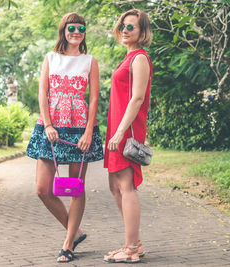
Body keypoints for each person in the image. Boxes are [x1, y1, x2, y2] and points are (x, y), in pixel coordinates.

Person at [26, 13, 104, 263]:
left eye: (82, 28)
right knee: (42, 189)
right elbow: (43, 92)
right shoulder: (50, 57)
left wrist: (89, 131)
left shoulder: (89, 61)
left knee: (75, 188)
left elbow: (93, 99)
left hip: (79, 127)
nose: (77, 31)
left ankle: (68, 244)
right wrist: (47, 124)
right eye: (72, 27)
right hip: (50, 127)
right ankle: (76, 231)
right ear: (64, 30)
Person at [103, 9, 153, 264]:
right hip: (116, 128)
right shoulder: (128, 57)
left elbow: (138, 98)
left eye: (131, 27)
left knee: (126, 186)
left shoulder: (140, 59)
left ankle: (133, 247)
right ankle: (132, 243)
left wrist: (121, 131)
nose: (124, 30)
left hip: (127, 130)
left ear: (142, 32)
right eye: (123, 25)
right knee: (115, 187)